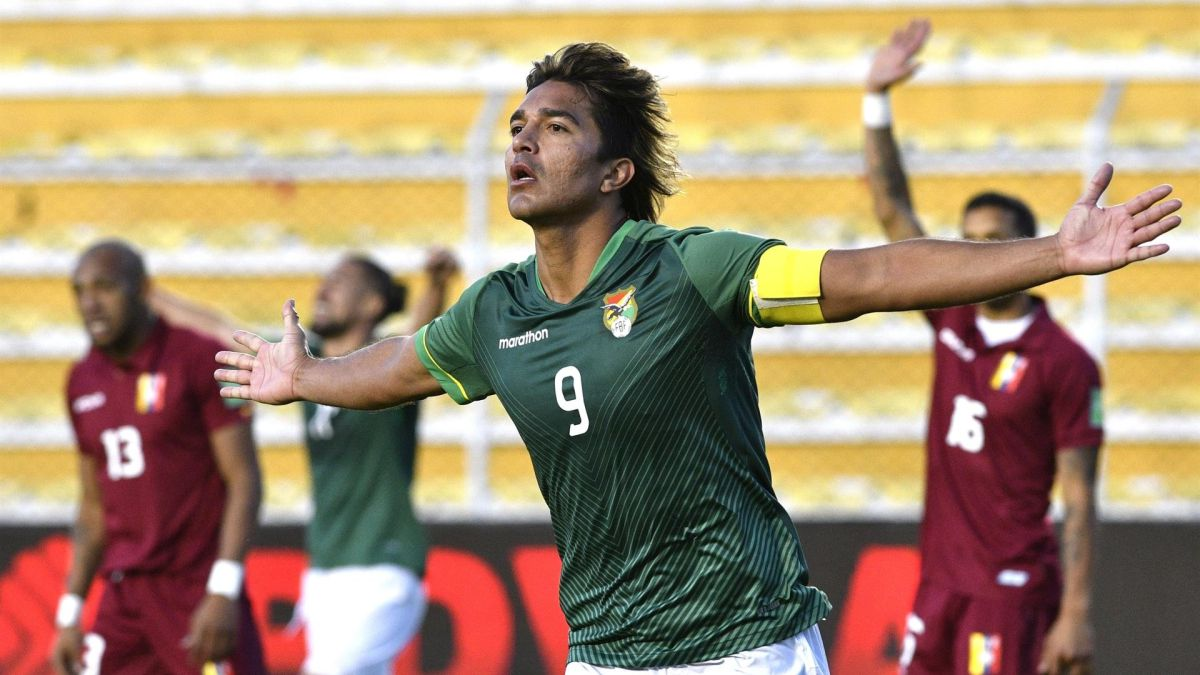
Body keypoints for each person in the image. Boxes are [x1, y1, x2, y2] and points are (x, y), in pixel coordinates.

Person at [213, 43, 1180, 675]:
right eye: (517, 126)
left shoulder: (689, 269)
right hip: (604, 650)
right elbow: (401, 366)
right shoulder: (495, 310)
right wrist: (305, 377)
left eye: (556, 126)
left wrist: (1056, 254)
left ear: (615, 172)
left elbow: (872, 272)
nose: (523, 141)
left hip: (744, 643)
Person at [863, 21, 1102, 675]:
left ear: (1026, 251)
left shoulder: (1064, 361)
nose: (977, 254)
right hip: (939, 583)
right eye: (968, 240)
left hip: (1010, 595)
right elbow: (893, 214)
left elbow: (1079, 494)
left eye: (994, 242)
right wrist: (875, 100)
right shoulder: (952, 318)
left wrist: (1076, 611)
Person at [154, 250, 458, 675]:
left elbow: (418, 338)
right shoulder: (305, 362)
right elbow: (223, 331)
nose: (324, 288)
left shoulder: (386, 366)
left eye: (341, 280)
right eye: (325, 279)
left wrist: (436, 286)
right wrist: (149, 295)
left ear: (372, 304)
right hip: (324, 570)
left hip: (382, 568)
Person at [52, 240, 266, 675]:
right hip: (124, 597)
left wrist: (223, 589)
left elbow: (244, 479)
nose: (90, 303)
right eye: (80, 290)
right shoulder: (82, 379)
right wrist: (70, 612)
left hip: (195, 590)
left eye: (105, 287)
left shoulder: (197, 358)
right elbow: (93, 507)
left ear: (144, 290)